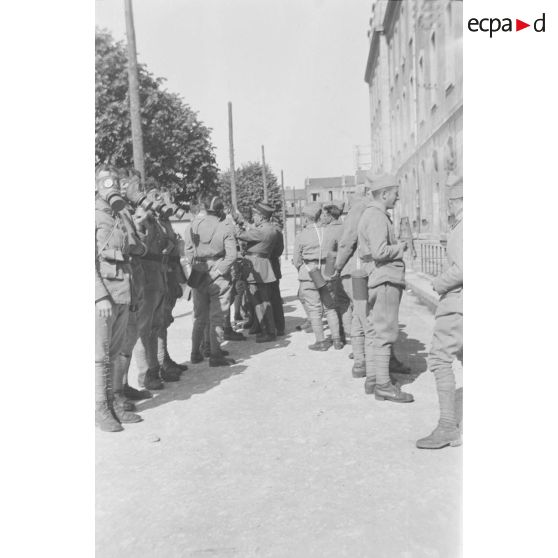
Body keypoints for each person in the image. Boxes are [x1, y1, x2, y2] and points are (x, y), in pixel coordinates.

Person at [357, 174, 414, 403]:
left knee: (374, 330)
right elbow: (380, 251)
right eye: (395, 193)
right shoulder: (378, 217)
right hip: (386, 279)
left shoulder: (370, 215)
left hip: (378, 278)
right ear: (384, 194)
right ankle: (384, 386)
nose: (397, 197)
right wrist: (401, 247)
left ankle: (373, 378)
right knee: (385, 333)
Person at [416, 174, 463, 449]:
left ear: (458, 201)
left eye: (452, 202)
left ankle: (447, 427)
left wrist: (438, 282)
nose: (450, 207)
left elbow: (463, 269)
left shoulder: (462, 228)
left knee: (440, 359)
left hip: (459, 303)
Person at [95, 165, 143, 432]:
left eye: (112, 181)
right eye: (104, 181)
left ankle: (114, 402)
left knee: (114, 353)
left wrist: (127, 215)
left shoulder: (117, 215)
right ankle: (101, 408)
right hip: (103, 295)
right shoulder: (92, 215)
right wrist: (98, 296)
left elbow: (134, 248)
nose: (110, 186)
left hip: (122, 291)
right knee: (100, 356)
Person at [184, 195, 237, 366]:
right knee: (217, 316)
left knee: (199, 317)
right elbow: (232, 256)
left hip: (199, 273)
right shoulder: (225, 227)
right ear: (221, 210)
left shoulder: (193, 225)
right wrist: (217, 271)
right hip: (218, 274)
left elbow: (188, 252)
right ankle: (215, 355)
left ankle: (195, 353)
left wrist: (199, 267)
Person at [293, 202, 342, 351]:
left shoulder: (301, 236)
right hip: (327, 273)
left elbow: (297, 260)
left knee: (314, 309)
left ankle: (321, 342)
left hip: (309, 274)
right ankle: (337, 340)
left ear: (306, 219)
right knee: (330, 307)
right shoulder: (328, 232)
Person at [236, 201, 280, 343]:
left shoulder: (262, 231)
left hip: (257, 266)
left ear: (261, 217)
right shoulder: (270, 229)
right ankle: (267, 329)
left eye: (255, 215)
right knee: (262, 300)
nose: (253, 217)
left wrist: (234, 223)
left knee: (259, 301)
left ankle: (268, 331)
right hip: (263, 265)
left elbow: (241, 235)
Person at [321, 201, 350, 344]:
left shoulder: (330, 231)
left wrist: (327, 274)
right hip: (347, 269)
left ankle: (339, 336)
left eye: (324, 214)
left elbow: (327, 254)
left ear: (329, 215)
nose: (322, 217)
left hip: (333, 270)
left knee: (333, 304)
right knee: (347, 303)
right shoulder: (346, 227)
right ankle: (350, 336)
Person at [269, 219, 286, 336]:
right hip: (272, 267)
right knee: (274, 298)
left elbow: (278, 251)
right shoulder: (275, 231)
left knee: (273, 299)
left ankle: (276, 327)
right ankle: (278, 327)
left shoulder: (274, 231)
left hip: (270, 267)